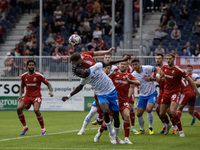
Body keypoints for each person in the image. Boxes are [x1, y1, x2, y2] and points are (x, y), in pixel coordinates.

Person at [62, 57, 130, 145]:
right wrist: (68, 96)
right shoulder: (84, 79)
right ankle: (111, 134)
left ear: (83, 69)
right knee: (105, 111)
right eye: (79, 75)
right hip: (101, 95)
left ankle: (117, 137)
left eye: (81, 73)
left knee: (116, 117)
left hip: (112, 92)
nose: (81, 75)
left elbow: (109, 62)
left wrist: (122, 60)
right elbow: (79, 88)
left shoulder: (96, 66)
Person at [159, 53, 200, 137]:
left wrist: (197, 92)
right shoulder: (165, 67)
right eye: (167, 59)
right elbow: (162, 74)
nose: (168, 60)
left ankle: (181, 131)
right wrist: (161, 77)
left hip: (175, 93)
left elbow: (190, 80)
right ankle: (168, 125)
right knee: (161, 114)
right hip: (166, 93)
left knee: (173, 111)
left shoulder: (178, 70)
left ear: (174, 59)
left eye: (170, 58)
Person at [17, 60, 53, 136]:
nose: (31, 66)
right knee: (18, 108)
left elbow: (48, 84)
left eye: (33, 65)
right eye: (30, 65)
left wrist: (50, 91)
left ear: (35, 66)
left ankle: (43, 129)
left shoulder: (39, 75)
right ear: (27, 66)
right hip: (27, 96)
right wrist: (20, 95)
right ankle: (25, 127)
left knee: (36, 110)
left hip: (36, 96)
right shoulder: (23, 76)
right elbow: (22, 86)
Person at [109, 61, 140, 144]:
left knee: (126, 115)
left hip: (124, 101)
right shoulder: (115, 74)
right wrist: (111, 74)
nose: (122, 65)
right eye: (121, 64)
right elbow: (104, 80)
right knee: (109, 120)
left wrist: (129, 81)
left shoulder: (129, 76)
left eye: (124, 64)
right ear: (119, 65)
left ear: (127, 66)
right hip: (114, 101)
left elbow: (138, 83)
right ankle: (99, 133)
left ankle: (126, 138)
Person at [77, 65, 112, 135]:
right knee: (92, 111)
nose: (107, 69)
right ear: (104, 69)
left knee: (111, 114)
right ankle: (82, 129)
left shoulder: (113, 76)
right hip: (99, 97)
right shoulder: (101, 75)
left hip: (109, 97)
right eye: (106, 68)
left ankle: (109, 128)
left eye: (109, 68)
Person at [131, 58, 161, 135]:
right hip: (142, 95)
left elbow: (157, 68)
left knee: (149, 109)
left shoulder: (146, 68)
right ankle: (142, 129)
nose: (135, 66)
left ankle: (150, 128)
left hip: (152, 93)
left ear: (139, 63)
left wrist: (156, 75)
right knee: (138, 114)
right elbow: (131, 86)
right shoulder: (133, 75)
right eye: (133, 65)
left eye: (136, 64)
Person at [152, 54, 178, 135]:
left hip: (169, 91)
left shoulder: (166, 67)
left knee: (169, 110)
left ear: (163, 60)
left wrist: (159, 78)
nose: (157, 60)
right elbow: (157, 80)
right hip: (162, 91)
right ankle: (166, 124)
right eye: (156, 59)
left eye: (159, 58)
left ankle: (175, 126)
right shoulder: (156, 69)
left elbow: (164, 78)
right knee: (157, 109)